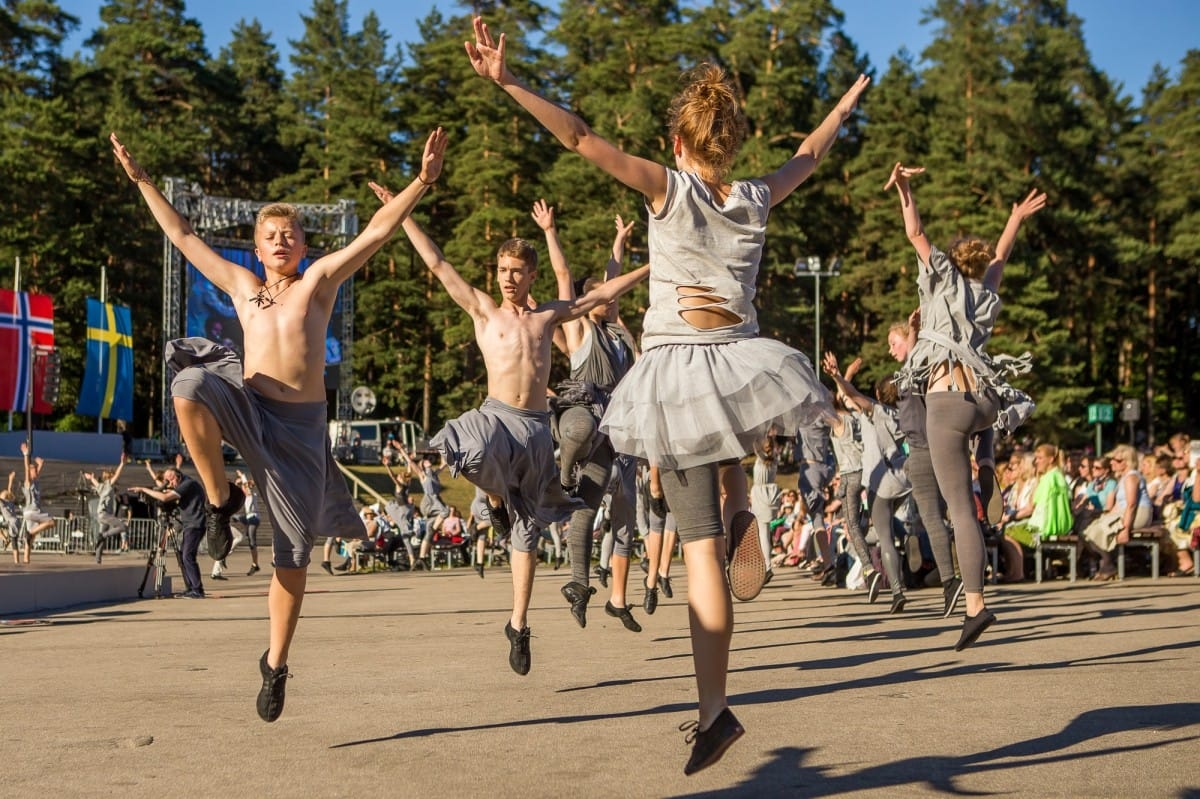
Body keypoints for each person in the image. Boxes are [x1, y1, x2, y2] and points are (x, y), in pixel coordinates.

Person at [465, 15, 866, 774]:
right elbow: (807, 157)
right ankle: (744, 499)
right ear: (732, 141)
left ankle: (715, 710)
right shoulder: (754, 193)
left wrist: (509, 80)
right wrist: (841, 109)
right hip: (742, 363)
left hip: (682, 372)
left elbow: (580, 138)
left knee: (700, 548)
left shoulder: (668, 188)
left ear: (678, 142)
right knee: (728, 449)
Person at [111, 126, 447, 722]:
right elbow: (184, 236)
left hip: (297, 430)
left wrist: (420, 181)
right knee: (188, 382)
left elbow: (376, 230)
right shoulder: (242, 288)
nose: (281, 240)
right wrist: (142, 182)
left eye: (290, 233)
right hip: (249, 402)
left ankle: (276, 662)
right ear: (258, 251)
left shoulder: (317, 285)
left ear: (301, 245)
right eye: (270, 236)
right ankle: (219, 497)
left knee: (292, 557)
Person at [369, 177, 648, 678]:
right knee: (466, 447)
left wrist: (655, 266)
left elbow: (602, 292)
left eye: (517, 272)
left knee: (529, 536)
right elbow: (437, 263)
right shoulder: (483, 309)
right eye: (502, 270)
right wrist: (403, 209)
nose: (508, 279)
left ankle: (518, 626)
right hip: (497, 416)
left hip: (537, 429)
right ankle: (494, 501)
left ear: (532, 274)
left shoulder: (546, 317)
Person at [887, 161, 1045, 650]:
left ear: (948, 263)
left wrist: (905, 186)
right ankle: (988, 459)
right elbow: (1001, 253)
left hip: (947, 403)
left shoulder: (939, 280)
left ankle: (975, 606)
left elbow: (914, 230)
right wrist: (1016, 216)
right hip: (984, 400)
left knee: (960, 512)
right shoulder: (985, 291)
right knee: (972, 481)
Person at [536, 201, 642, 631]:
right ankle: (562, 474)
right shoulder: (582, 326)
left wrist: (619, 241)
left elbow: (611, 278)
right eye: (604, 294)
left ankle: (578, 584)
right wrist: (549, 231)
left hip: (613, 430)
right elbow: (565, 278)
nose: (612, 297)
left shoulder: (619, 334)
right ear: (588, 301)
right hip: (582, 410)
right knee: (579, 430)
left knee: (586, 509)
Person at [129, 467, 207, 597]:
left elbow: (165, 498)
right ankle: (191, 587)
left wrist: (143, 489)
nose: (169, 485)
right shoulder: (184, 483)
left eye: (170, 481)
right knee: (183, 555)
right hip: (190, 525)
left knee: (187, 556)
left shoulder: (187, 484)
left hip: (195, 524)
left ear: (176, 477)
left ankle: (197, 590)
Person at [85, 452, 129, 563]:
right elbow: (117, 475)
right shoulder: (109, 484)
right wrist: (122, 464)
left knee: (101, 538)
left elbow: (95, 482)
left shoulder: (101, 486)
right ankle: (104, 535)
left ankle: (97, 559)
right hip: (105, 514)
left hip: (101, 514)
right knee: (123, 527)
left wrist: (91, 478)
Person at [18, 441, 56, 564]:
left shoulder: (35, 482)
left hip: (30, 513)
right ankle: (29, 533)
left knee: (31, 539)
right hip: (32, 511)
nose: (36, 471)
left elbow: (36, 473)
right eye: (33, 470)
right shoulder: (28, 483)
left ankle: (25, 559)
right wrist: (25, 455)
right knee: (51, 522)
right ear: (30, 473)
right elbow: (26, 469)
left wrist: (41, 464)